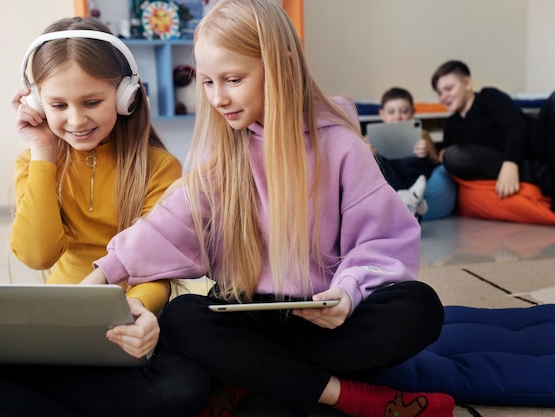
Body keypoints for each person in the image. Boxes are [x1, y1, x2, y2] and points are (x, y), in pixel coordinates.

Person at [81, 1, 456, 417]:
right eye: (206, 82)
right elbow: (167, 226)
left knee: (419, 308)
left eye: (233, 79)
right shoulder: (223, 154)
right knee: (183, 317)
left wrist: (347, 294)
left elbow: (384, 241)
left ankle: (251, 374)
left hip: (323, 318)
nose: (218, 97)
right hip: (249, 314)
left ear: (283, 65)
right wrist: (98, 279)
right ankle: (346, 396)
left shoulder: (342, 147)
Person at [0, 17, 210, 417]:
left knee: (181, 386)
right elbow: (37, 255)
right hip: (51, 330)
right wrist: (43, 151)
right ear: (36, 103)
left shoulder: (160, 167)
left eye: (91, 102)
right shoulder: (35, 161)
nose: (76, 121)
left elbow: (158, 266)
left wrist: (143, 312)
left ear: (126, 95)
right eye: (58, 106)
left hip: (126, 327)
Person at [431, 60, 553, 205]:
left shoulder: (488, 96)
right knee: (451, 156)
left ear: (467, 83)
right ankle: (539, 173)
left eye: (449, 88)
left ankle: (543, 173)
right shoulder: (451, 125)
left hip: (534, 145)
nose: (444, 96)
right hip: (505, 163)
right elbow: (456, 160)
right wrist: (431, 151)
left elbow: (516, 126)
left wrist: (511, 164)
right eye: (439, 93)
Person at [373, 87, 456, 220]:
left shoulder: (422, 134)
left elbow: (435, 161)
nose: (398, 117)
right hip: (393, 181)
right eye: (391, 112)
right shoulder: (372, 138)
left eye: (404, 111)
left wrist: (426, 150)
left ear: (413, 112)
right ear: (382, 114)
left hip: (414, 177)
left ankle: (407, 203)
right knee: (376, 161)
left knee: (410, 160)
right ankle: (407, 200)